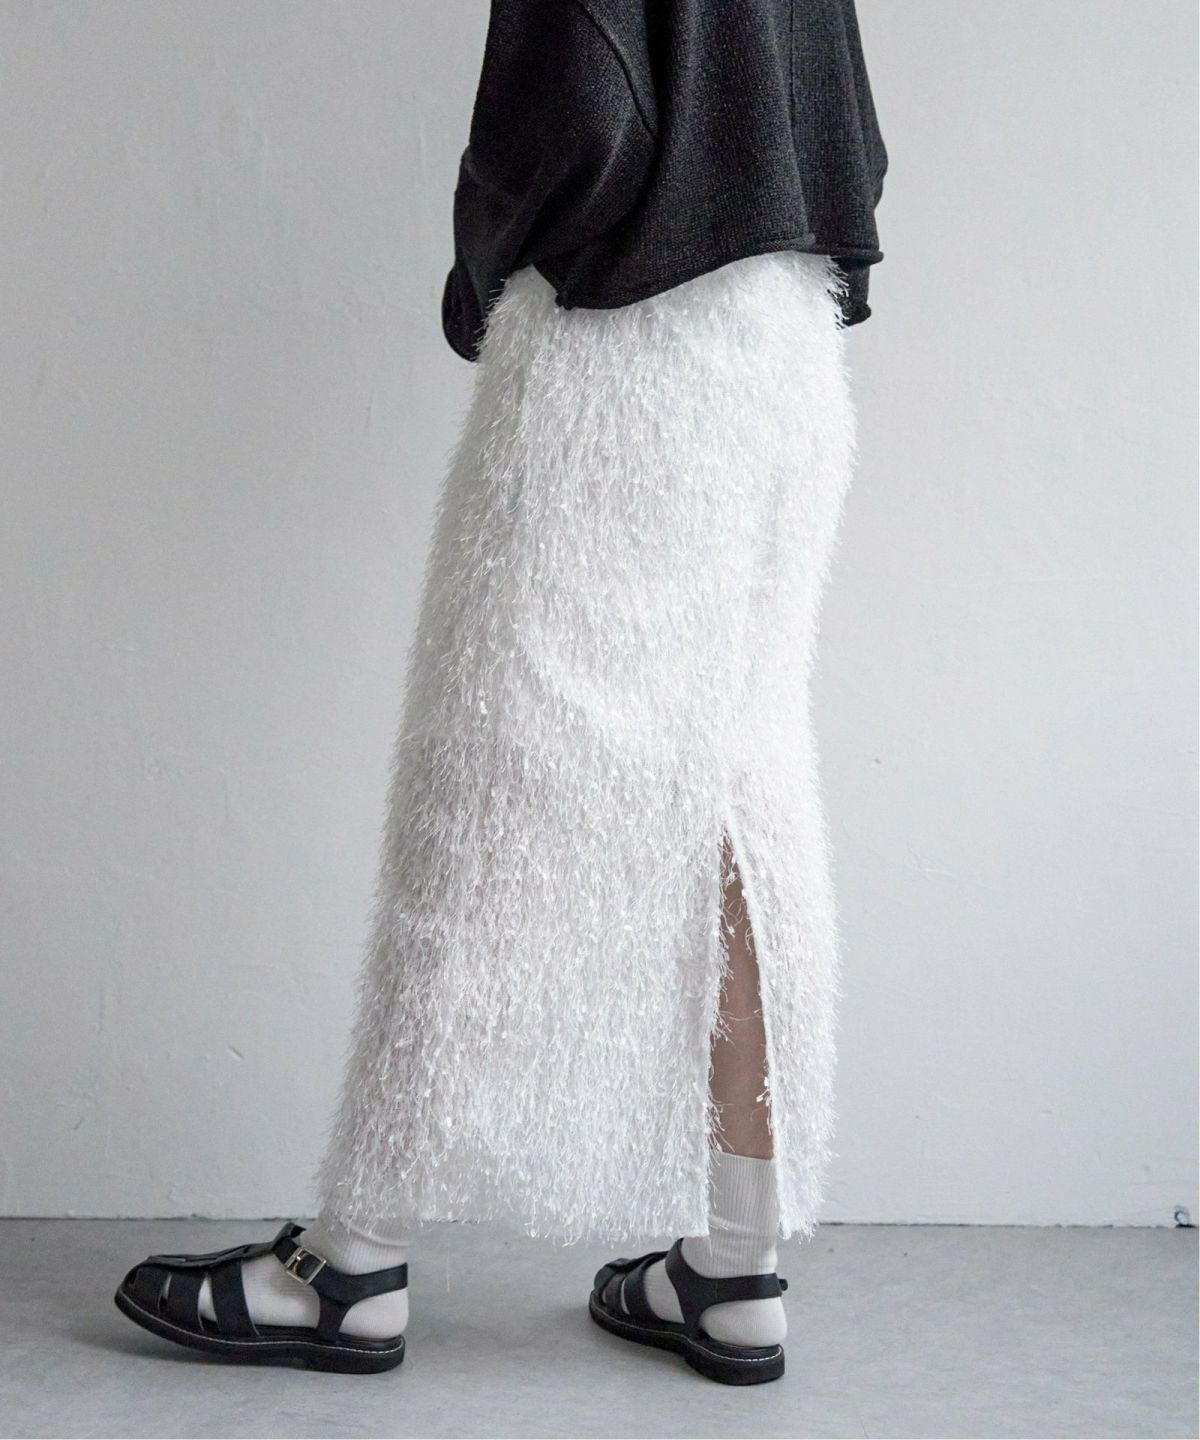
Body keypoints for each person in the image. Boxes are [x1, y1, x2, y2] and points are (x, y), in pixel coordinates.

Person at [114, 0, 886, 1386]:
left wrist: (483, 268)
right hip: (786, 349)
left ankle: (351, 1265)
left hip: (624, 351)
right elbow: (853, 142)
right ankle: (736, 1264)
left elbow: (577, 99)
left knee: (479, 784)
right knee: (747, 794)